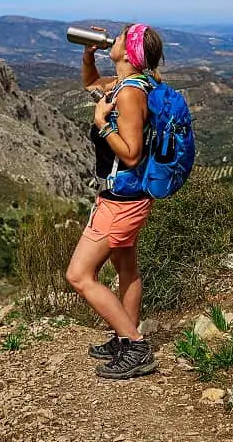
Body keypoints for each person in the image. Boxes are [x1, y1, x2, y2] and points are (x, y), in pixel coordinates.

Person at [65, 22, 165, 380]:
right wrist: (87, 55)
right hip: (125, 195)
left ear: (130, 50)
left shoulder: (129, 94)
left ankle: (135, 344)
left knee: (79, 275)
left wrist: (102, 124)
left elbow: (133, 154)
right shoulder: (127, 84)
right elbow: (92, 85)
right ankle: (125, 337)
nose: (113, 39)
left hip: (122, 201)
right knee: (126, 268)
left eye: (120, 37)